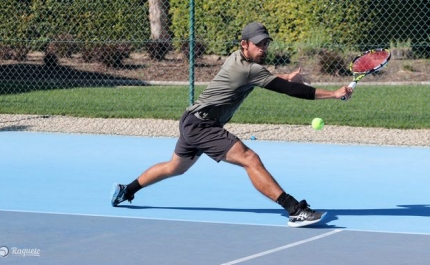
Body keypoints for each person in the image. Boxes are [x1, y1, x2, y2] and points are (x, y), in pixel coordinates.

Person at [111, 22, 353, 227]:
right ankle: (293, 210)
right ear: (244, 44)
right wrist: (333, 93)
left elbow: (266, 78)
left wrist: (285, 76)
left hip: (192, 120)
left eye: (266, 44)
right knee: (250, 159)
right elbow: (289, 90)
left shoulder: (239, 60)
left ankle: (126, 189)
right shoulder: (247, 69)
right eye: (258, 44)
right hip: (202, 125)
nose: (263, 48)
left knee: (175, 167)